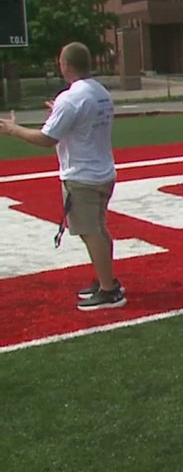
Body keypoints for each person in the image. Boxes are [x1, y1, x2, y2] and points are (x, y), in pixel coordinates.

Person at [0, 42, 124, 310]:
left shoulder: (72, 98)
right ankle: (106, 279)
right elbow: (80, 121)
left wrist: (13, 130)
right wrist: (59, 110)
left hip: (83, 174)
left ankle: (109, 288)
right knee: (98, 230)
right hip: (102, 170)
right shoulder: (99, 91)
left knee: (90, 231)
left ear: (65, 65)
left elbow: (47, 138)